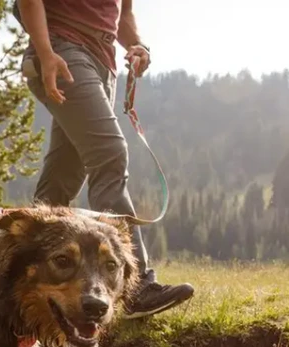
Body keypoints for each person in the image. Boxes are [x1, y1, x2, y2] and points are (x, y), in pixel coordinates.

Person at [15, 0, 195, 318]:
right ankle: (135, 288)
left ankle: (17, 278)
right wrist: (45, 53)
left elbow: (122, 13)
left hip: (102, 62)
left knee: (64, 174)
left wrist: (137, 44)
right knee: (109, 155)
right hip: (63, 52)